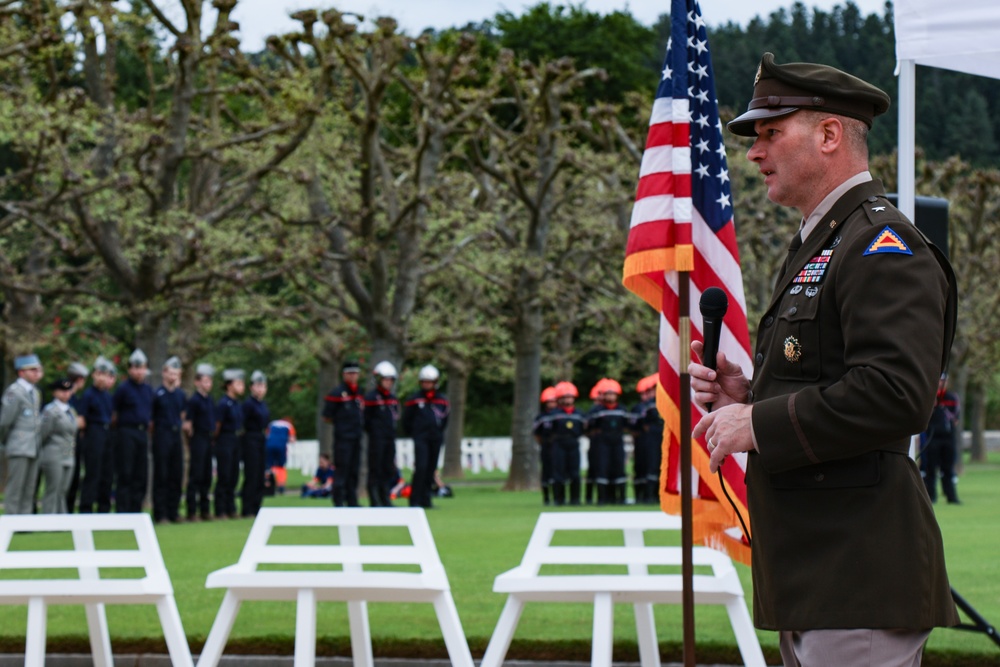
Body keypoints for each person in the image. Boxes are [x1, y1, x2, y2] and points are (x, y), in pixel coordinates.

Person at [689, 53, 958, 665]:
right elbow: (829, 378)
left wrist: (756, 425)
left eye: (770, 133)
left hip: (857, 570)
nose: (755, 153)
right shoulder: (828, 241)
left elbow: (895, 394)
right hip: (819, 570)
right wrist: (749, 399)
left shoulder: (880, 246)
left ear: (830, 135)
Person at [0, 354, 44, 515]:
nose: (37, 373)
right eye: (32, 370)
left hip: (34, 446)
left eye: (38, 369)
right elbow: (5, 422)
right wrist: (7, 441)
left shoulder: (35, 392)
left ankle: (25, 523)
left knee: (29, 488)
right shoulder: (14, 392)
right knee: (15, 487)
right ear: (21, 372)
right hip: (19, 445)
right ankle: (11, 521)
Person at [112, 349, 154, 513]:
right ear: (130, 370)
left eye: (141, 368)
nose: (138, 371)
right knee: (125, 471)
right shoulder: (123, 389)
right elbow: (115, 412)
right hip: (126, 432)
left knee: (140, 473)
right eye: (135, 368)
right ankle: (123, 510)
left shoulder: (148, 390)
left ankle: (136, 509)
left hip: (142, 433)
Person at [402, 364, 449, 509]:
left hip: (435, 438)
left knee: (431, 469)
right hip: (421, 438)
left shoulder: (442, 400)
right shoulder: (414, 399)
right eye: (424, 382)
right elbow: (406, 420)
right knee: (421, 468)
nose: (426, 385)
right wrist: (416, 433)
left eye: (429, 382)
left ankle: (426, 499)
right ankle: (415, 500)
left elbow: (445, 419)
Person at [322, 360, 365, 507]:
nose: (353, 376)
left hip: (356, 437)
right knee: (342, 470)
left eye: (355, 373)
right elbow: (327, 416)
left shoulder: (360, 393)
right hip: (343, 438)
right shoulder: (337, 393)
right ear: (344, 374)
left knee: (354, 470)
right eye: (350, 373)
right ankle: (338, 500)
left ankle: (352, 500)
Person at [76, 356, 117, 513]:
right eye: (100, 374)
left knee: (107, 473)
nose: (103, 378)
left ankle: (104, 508)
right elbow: (82, 419)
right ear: (94, 375)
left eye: (106, 374)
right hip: (94, 432)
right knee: (93, 472)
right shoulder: (89, 394)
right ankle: (86, 508)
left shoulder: (107, 395)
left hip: (107, 433)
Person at [151, 356, 186, 524]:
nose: (173, 376)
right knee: (162, 474)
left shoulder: (180, 395)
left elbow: (183, 415)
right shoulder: (157, 394)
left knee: (176, 474)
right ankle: (161, 513)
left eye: (176, 373)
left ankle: (174, 511)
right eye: (170, 373)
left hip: (175, 435)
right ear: (164, 373)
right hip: (162, 434)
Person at [584, 378, 628, 505]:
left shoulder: (622, 409)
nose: (610, 396)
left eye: (612, 394)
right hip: (602, 443)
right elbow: (589, 428)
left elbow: (628, 426)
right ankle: (602, 498)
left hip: (618, 442)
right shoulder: (597, 411)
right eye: (608, 394)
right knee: (602, 468)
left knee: (619, 467)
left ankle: (620, 498)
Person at [38, 377, 78, 513]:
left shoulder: (71, 411)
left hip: (68, 454)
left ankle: (61, 519)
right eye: (62, 391)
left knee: (63, 490)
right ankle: (49, 519)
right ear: (55, 392)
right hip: (53, 454)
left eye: (68, 390)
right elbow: (43, 434)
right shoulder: (50, 411)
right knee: (53, 489)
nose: (65, 394)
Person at [920, 373, 962, 504]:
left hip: (948, 438)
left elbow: (955, 418)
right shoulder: (930, 397)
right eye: (940, 381)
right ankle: (931, 497)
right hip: (932, 438)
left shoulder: (952, 397)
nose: (942, 383)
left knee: (948, 468)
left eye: (944, 381)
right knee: (930, 469)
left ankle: (951, 497)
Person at [364, 361, 400, 507]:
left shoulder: (392, 399)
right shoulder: (371, 398)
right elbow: (366, 420)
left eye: (390, 380)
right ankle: (374, 499)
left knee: (388, 468)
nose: (388, 383)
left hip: (389, 438)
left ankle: (385, 497)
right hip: (376, 439)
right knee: (375, 468)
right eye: (385, 379)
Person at [183, 363, 215, 521]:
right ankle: (191, 511)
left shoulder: (210, 400)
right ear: (197, 382)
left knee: (207, 475)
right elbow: (188, 425)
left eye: (209, 381)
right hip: (198, 438)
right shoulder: (194, 400)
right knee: (196, 474)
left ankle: (205, 509)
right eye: (204, 381)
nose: (207, 384)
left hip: (208, 438)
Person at [547, 381, 585, 505]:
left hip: (574, 443)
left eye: (570, 397)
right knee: (558, 472)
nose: (568, 400)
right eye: (565, 397)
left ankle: (575, 499)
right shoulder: (553, 414)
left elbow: (585, 429)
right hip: (558, 444)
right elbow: (547, 432)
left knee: (575, 473)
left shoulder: (579, 414)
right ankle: (559, 499)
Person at [214, 368, 245, 519]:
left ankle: (231, 507)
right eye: (238, 383)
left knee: (234, 475)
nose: (241, 386)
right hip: (225, 439)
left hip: (235, 439)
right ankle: (220, 509)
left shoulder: (237, 403)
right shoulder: (223, 403)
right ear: (229, 385)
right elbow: (217, 425)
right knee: (224, 474)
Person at [629, 374, 663, 505]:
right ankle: (648, 495)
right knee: (650, 465)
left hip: (662, 437)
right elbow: (637, 424)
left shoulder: (667, 402)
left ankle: (658, 495)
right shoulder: (647, 406)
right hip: (649, 440)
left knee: (661, 465)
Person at [241, 370, 270, 517]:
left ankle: (257, 506)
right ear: (251, 387)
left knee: (259, 474)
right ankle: (247, 508)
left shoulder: (263, 404)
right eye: (258, 386)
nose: (260, 389)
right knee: (251, 474)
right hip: (250, 438)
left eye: (263, 386)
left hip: (260, 437)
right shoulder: (248, 404)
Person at [64, 361, 89, 512]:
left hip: (76, 442)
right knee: (66, 482)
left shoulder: (76, 398)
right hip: (66, 444)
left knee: (73, 480)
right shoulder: (68, 398)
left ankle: (69, 512)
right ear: (80, 380)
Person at [532, 386, 558, 505]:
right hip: (546, 447)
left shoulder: (559, 415)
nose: (551, 404)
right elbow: (536, 433)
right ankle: (547, 498)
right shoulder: (541, 417)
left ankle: (558, 497)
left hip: (558, 447)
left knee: (557, 472)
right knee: (546, 472)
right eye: (549, 402)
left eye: (553, 401)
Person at [265, 416, 296, 495]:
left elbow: (267, 435)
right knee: (281, 466)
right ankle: (281, 485)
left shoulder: (272, 424)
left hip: (269, 446)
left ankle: (267, 483)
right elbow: (292, 439)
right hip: (281, 447)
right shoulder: (288, 425)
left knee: (269, 465)